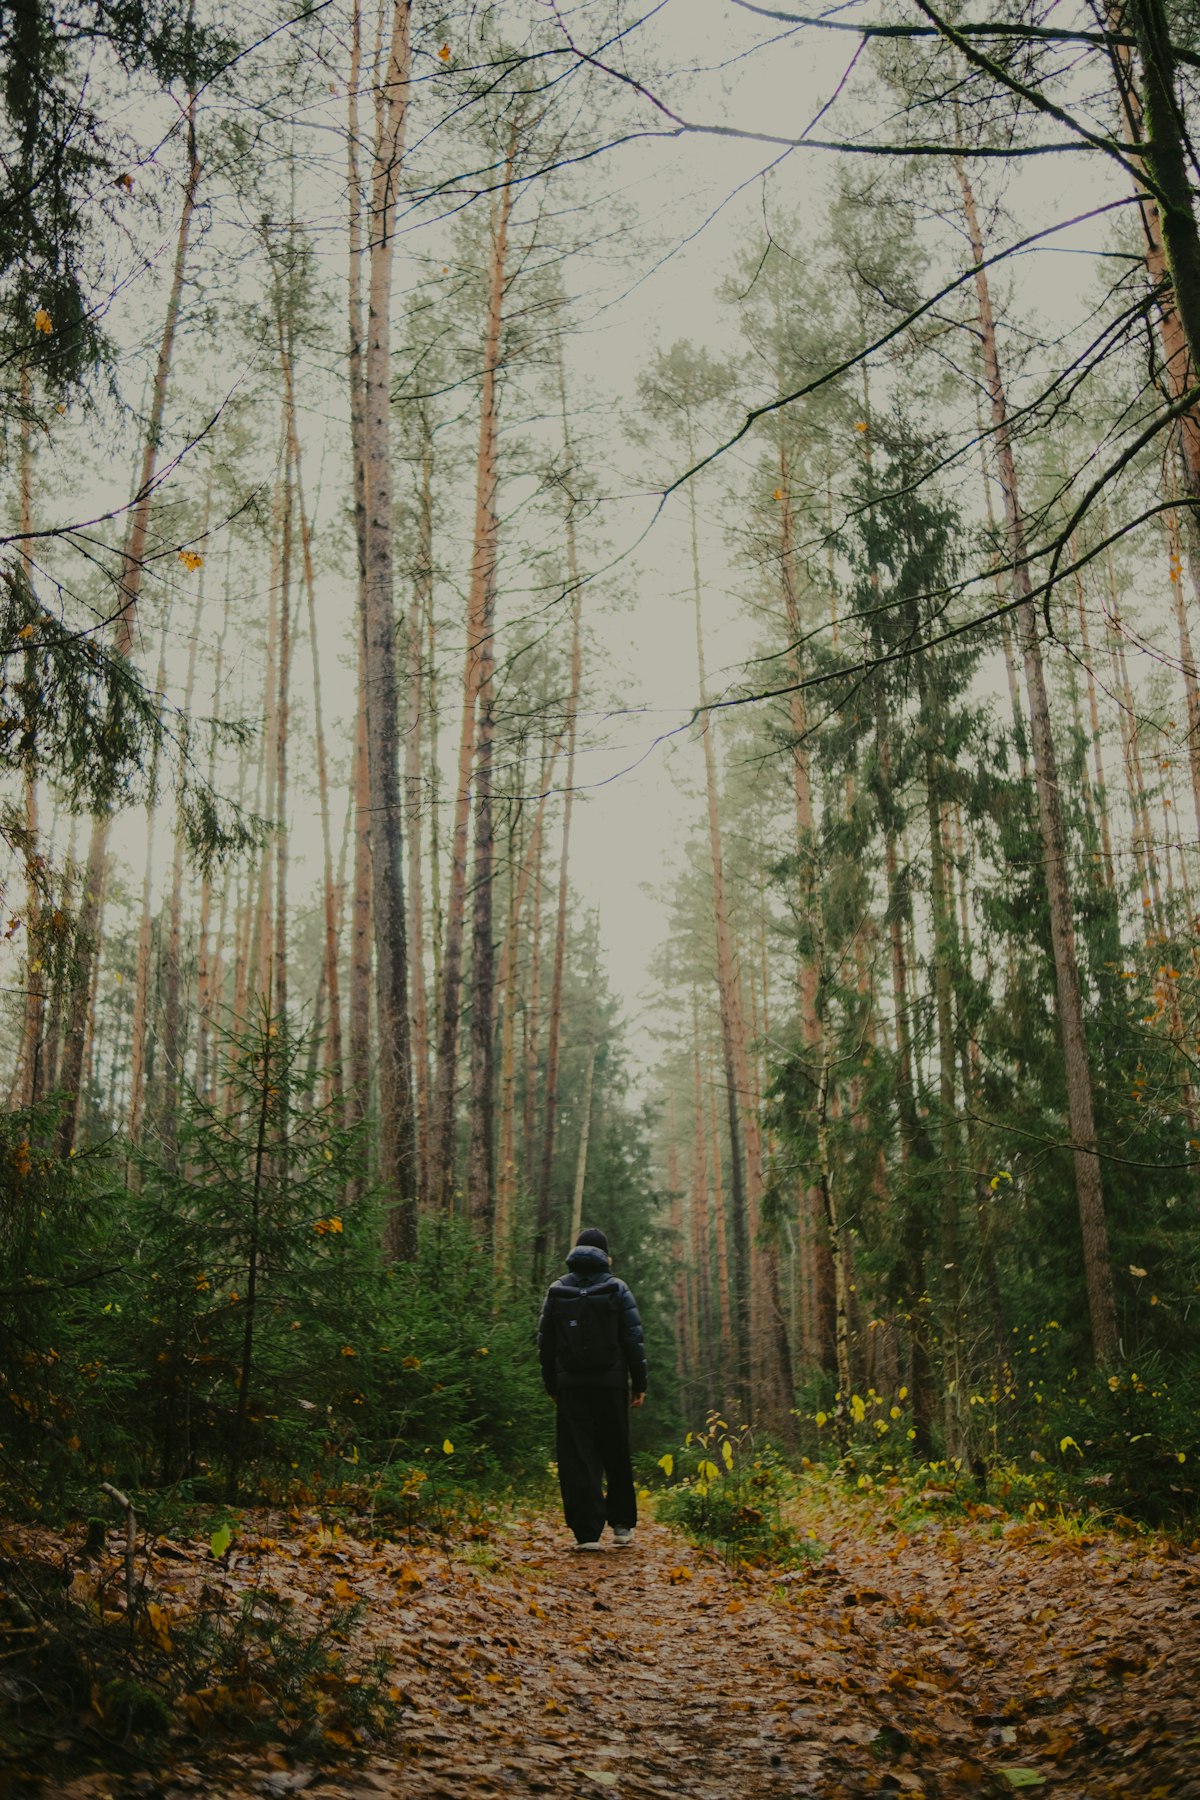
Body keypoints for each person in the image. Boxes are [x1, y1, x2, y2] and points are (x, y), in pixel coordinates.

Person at [537, 1226, 647, 1551]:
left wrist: (552, 1385)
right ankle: (622, 1526)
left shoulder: (557, 1290)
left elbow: (546, 1345)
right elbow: (633, 1340)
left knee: (577, 1457)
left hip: (571, 1386)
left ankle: (586, 1534)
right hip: (611, 1385)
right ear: (605, 1256)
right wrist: (638, 1383)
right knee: (616, 1451)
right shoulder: (617, 1288)